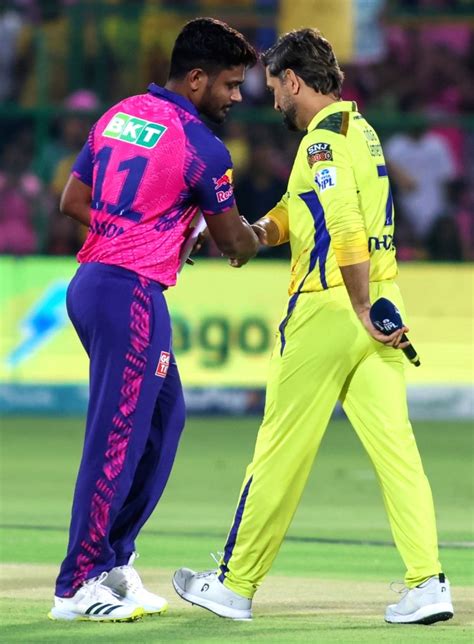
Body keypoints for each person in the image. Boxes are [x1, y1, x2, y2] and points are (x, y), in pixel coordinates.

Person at [173, 28, 454, 626]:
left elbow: (344, 225)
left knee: (279, 449)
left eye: (274, 87)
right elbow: (303, 212)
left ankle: (234, 584)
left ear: (294, 81)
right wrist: (253, 234)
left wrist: (354, 309)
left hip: (333, 307)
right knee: (397, 452)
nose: (272, 100)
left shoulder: (319, 146)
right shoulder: (363, 133)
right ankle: (427, 584)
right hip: (382, 301)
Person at [49, 17, 258, 622]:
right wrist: (284, 226)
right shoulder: (202, 146)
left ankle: (113, 562)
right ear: (196, 79)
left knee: (164, 420)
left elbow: (73, 202)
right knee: (116, 438)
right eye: (230, 84)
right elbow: (234, 245)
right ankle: (77, 585)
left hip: (96, 285)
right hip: (131, 296)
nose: (237, 97)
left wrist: (136, 235)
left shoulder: (118, 115)